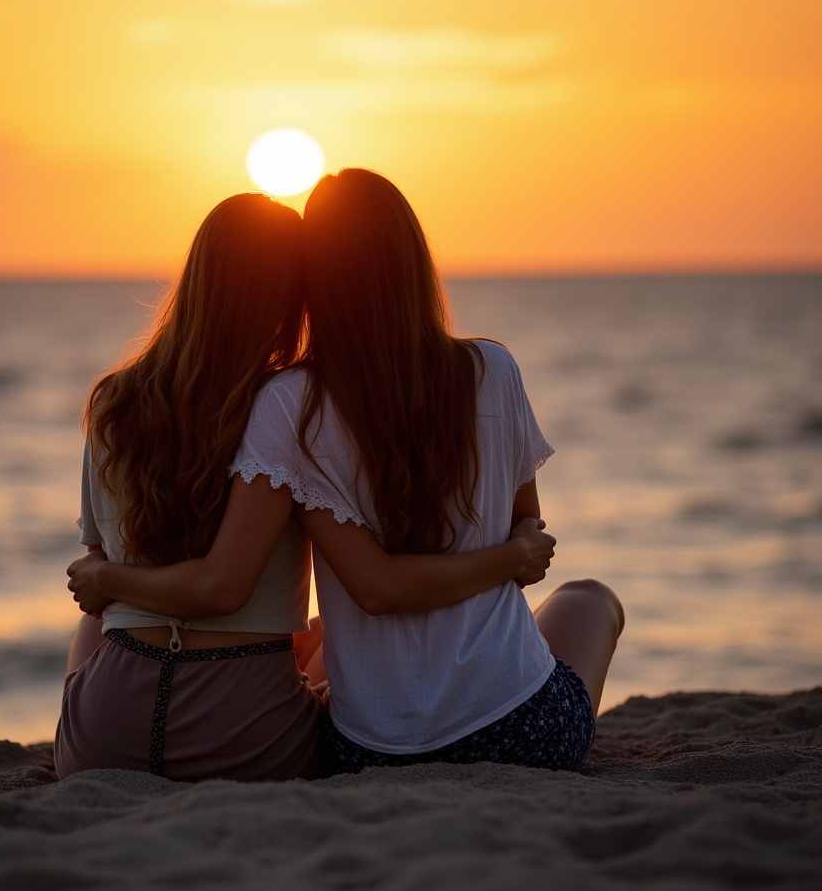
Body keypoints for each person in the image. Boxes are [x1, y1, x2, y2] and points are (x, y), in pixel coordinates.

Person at [67, 169, 622, 777]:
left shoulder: (268, 404)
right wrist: (512, 558)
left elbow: (370, 587)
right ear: (415, 261)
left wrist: (111, 578)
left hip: (344, 750)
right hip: (511, 731)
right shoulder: (489, 369)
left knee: (129, 634)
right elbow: (523, 527)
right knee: (589, 600)